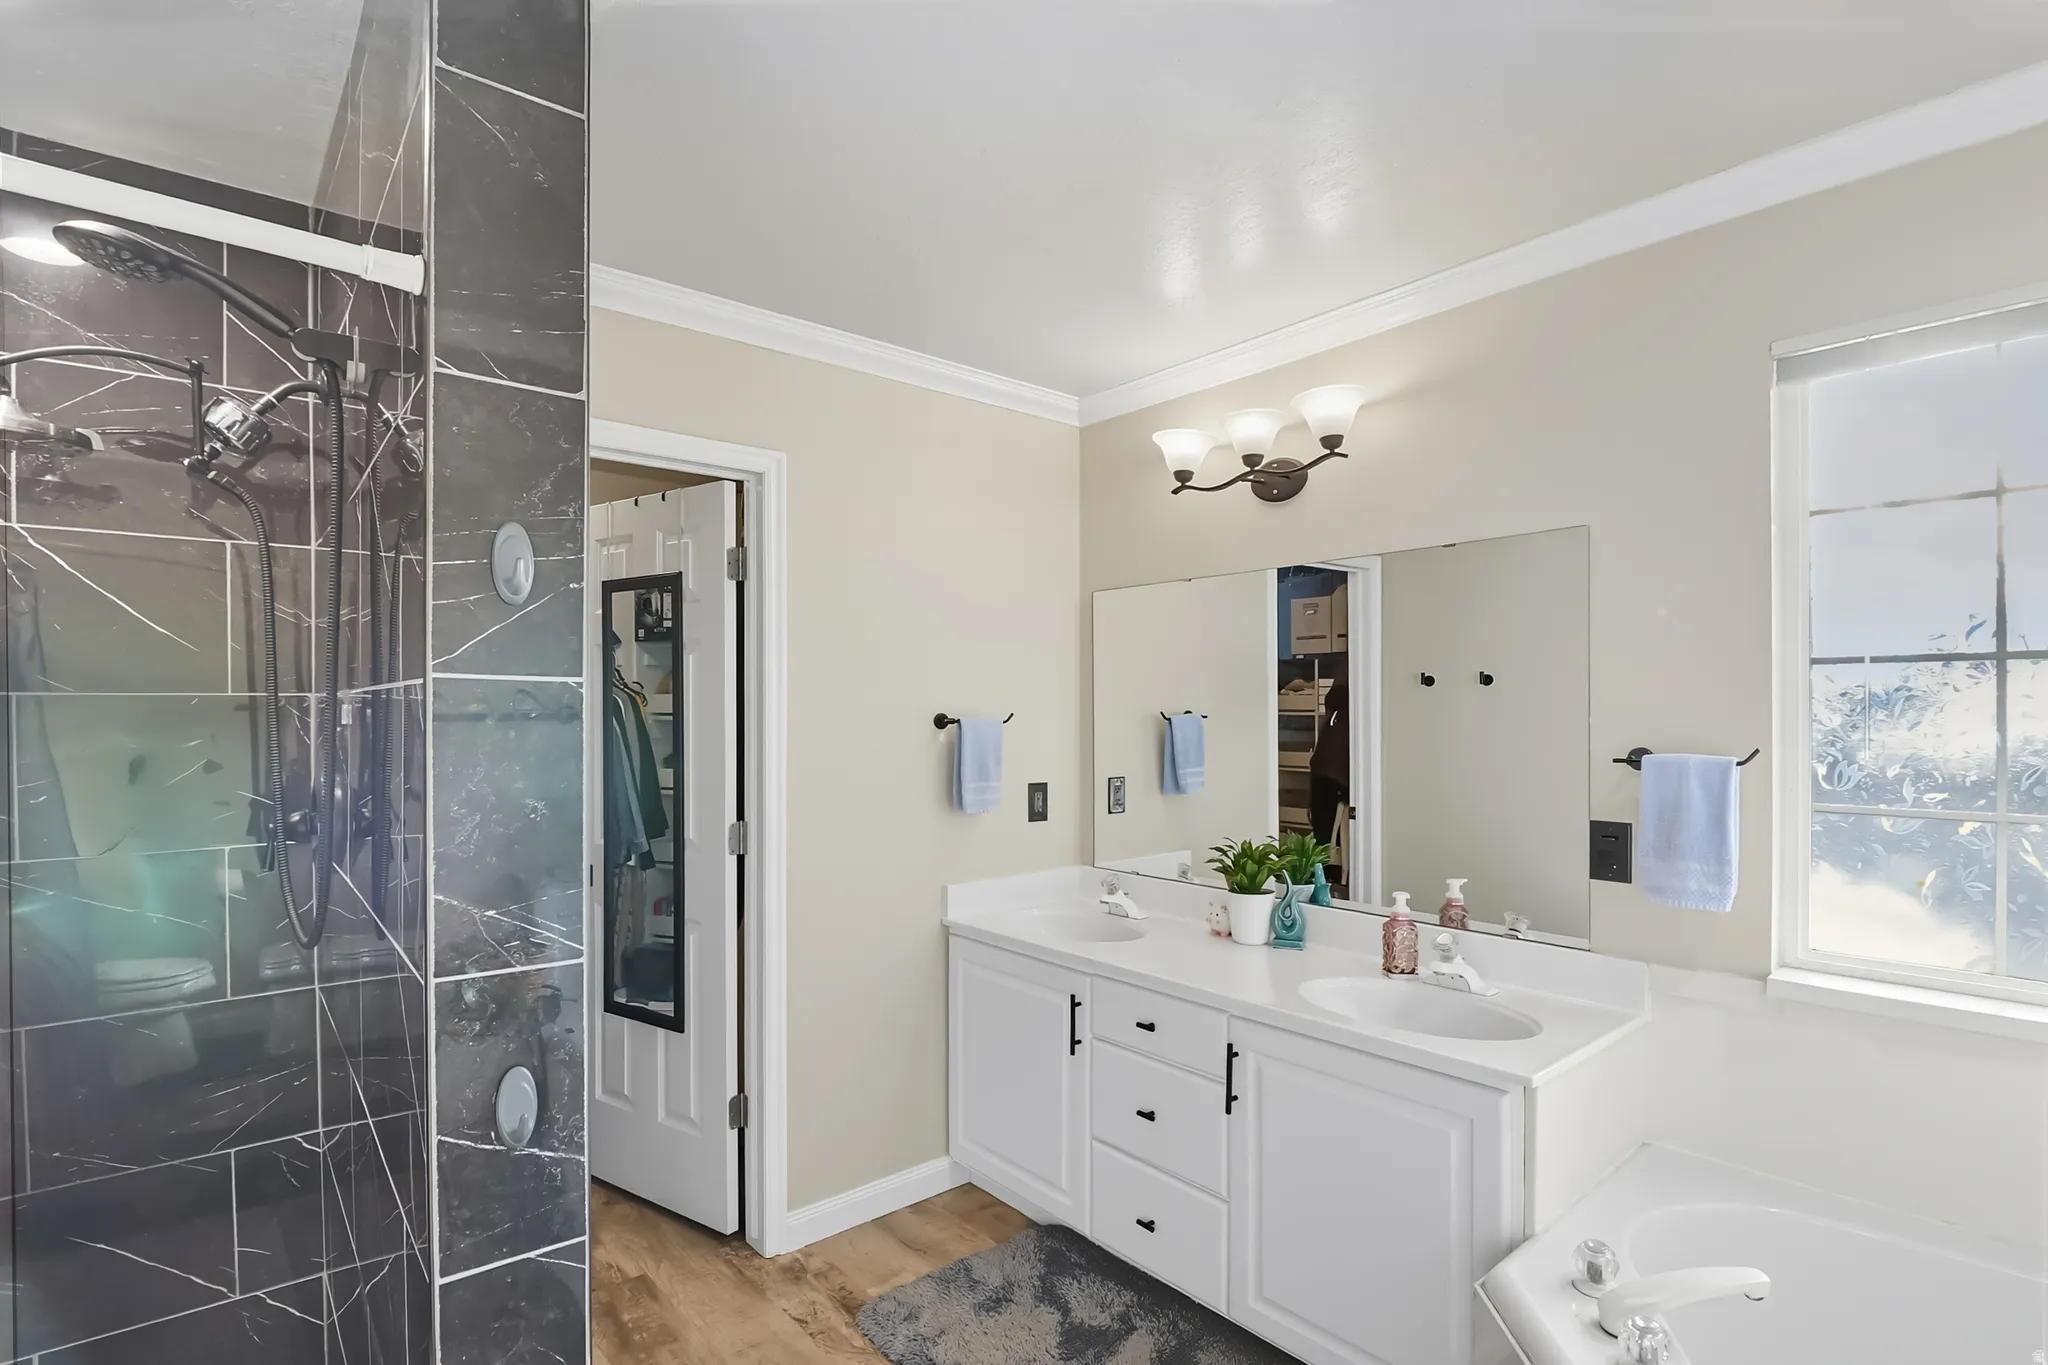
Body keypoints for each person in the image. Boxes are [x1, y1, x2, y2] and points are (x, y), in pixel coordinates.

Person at [1309, 683, 1349, 845]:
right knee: (1330, 836)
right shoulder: (1339, 723)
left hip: (1327, 774)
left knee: (1326, 835)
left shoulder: (1336, 723)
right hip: (1331, 776)